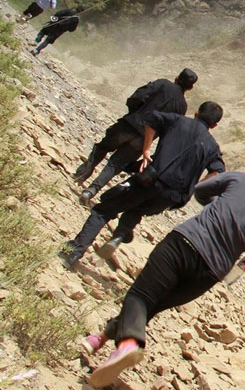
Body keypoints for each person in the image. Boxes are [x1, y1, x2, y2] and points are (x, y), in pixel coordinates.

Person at [83, 161, 245, 388]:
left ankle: (129, 342)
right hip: (209, 273)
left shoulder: (243, 179)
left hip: (184, 243)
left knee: (140, 296)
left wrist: (214, 206)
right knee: (152, 304)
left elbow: (201, 190)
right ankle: (102, 340)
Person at [61, 102, 225, 269]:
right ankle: (120, 234)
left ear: (196, 112)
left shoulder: (177, 121)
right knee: (137, 209)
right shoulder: (212, 146)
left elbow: (152, 118)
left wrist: (146, 150)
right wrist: (197, 186)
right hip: (172, 196)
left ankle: (72, 252)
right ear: (214, 125)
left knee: (103, 210)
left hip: (150, 180)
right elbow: (218, 171)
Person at [72, 69, 198, 205]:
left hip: (129, 124)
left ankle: (81, 175)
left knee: (102, 147)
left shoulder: (162, 84)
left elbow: (137, 97)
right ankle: (90, 191)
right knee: (116, 165)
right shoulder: (182, 106)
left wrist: (133, 113)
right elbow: (169, 131)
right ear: (190, 88)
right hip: (143, 140)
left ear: (177, 77)